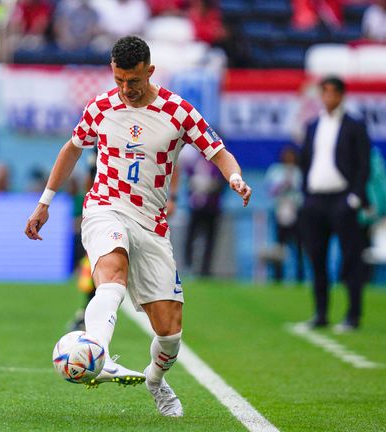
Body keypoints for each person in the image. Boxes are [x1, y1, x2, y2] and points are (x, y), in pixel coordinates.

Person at [24, 36, 252, 417]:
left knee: (170, 332)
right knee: (111, 270)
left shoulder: (178, 111)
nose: (126, 89)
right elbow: (71, 149)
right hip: (105, 207)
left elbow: (218, 151)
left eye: (133, 81)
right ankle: (98, 350)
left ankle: (155, 381)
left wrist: (236, 178)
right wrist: (44, 202)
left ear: (150, 71)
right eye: (119, 80)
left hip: (151, 224)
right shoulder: (100, 107)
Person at [298, 76, 371, 332]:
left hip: (342, 199)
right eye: (324, 93)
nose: (328, 98)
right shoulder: (313, 125)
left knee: (350, 258)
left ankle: (353, 314)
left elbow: (364, 164)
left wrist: (355, 197)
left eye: (333, 93)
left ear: (341, 95)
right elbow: (306, 162)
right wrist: (306, 194)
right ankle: (321, 313)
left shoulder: (354, 125)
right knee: (317, 258)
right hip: (316, 200)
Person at [179, 145, 226, 277]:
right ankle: (188, 265)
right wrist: (196, 185)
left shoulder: (218, 164)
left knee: (210, 239)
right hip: (196, 206)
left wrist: (211, 186)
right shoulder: (196, 162)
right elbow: (188, 179)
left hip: (212, 207)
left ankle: (205, 269)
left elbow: (222, 184)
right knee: (190, 236)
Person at [265, 145, 305, 283]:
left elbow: (304, 191)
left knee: (298, 246)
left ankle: (300, 276)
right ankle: (278, 276)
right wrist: (282, 185)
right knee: (279, 246)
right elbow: (270, 191)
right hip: (280, 211)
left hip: (296, 212)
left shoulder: (299, 172)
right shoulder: (275, 171)